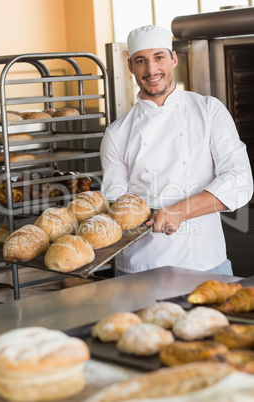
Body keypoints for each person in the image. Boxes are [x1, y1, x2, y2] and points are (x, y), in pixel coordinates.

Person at [100, 25, 253, 276]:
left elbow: (240, 180)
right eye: (141, 61)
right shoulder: (117, 133)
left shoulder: (208, 111)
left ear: (173, 59)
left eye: (159, 57)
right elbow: (116, 205)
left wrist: (180, 211)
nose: (151, 70)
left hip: (205, 261)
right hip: (139, 267)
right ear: (130, 67)